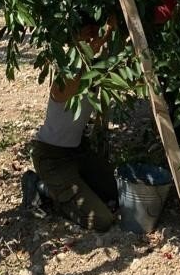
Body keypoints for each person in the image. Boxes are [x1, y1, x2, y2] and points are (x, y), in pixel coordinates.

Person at [24, 22, 119, 232]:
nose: (92, 39)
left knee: (118, 192)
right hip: (52, 158)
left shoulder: (96, 67)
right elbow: (73, 83)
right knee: (101, 220)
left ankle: (70, 186)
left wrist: (110, 32)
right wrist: (89, 50)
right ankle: (42, 187)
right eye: (86, 36)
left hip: (79, 152)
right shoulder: (65, 75)